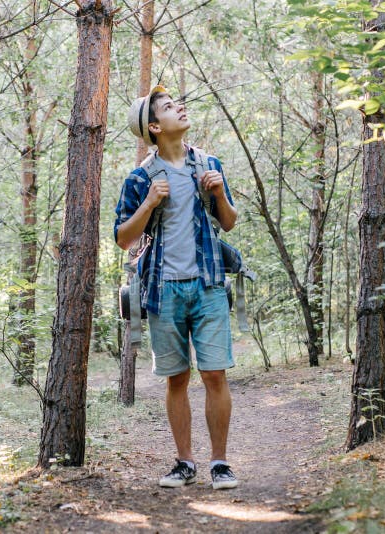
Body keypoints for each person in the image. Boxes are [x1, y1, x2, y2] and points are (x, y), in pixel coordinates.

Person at [114, 85, 239, 490]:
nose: (179, 108)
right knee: (177, 379)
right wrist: (149, 203)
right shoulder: (140, 179)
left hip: (209, 286)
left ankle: (220, 463)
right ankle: (185, 463)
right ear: (154, 126)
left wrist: (218, 193)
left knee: (215, 374)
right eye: (169, 107)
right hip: (162, 290)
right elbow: (122, 238)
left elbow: (230, 221)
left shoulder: (208, 165)